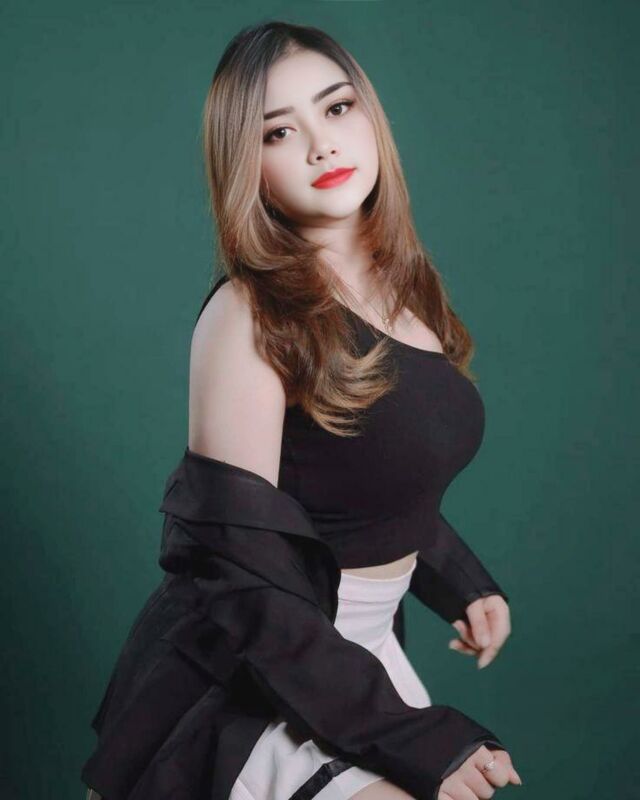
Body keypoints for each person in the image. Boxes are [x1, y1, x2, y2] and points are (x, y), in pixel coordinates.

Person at [82, 20, 522, 800]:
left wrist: (462, 583)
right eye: (279, 132)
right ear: (245, 165)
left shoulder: (403, 292)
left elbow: (365, 482)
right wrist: (418, 738)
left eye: (337, 108)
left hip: (355, 658)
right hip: (252, 669)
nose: (322, 145)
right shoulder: (248, 317)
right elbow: (239, 572)